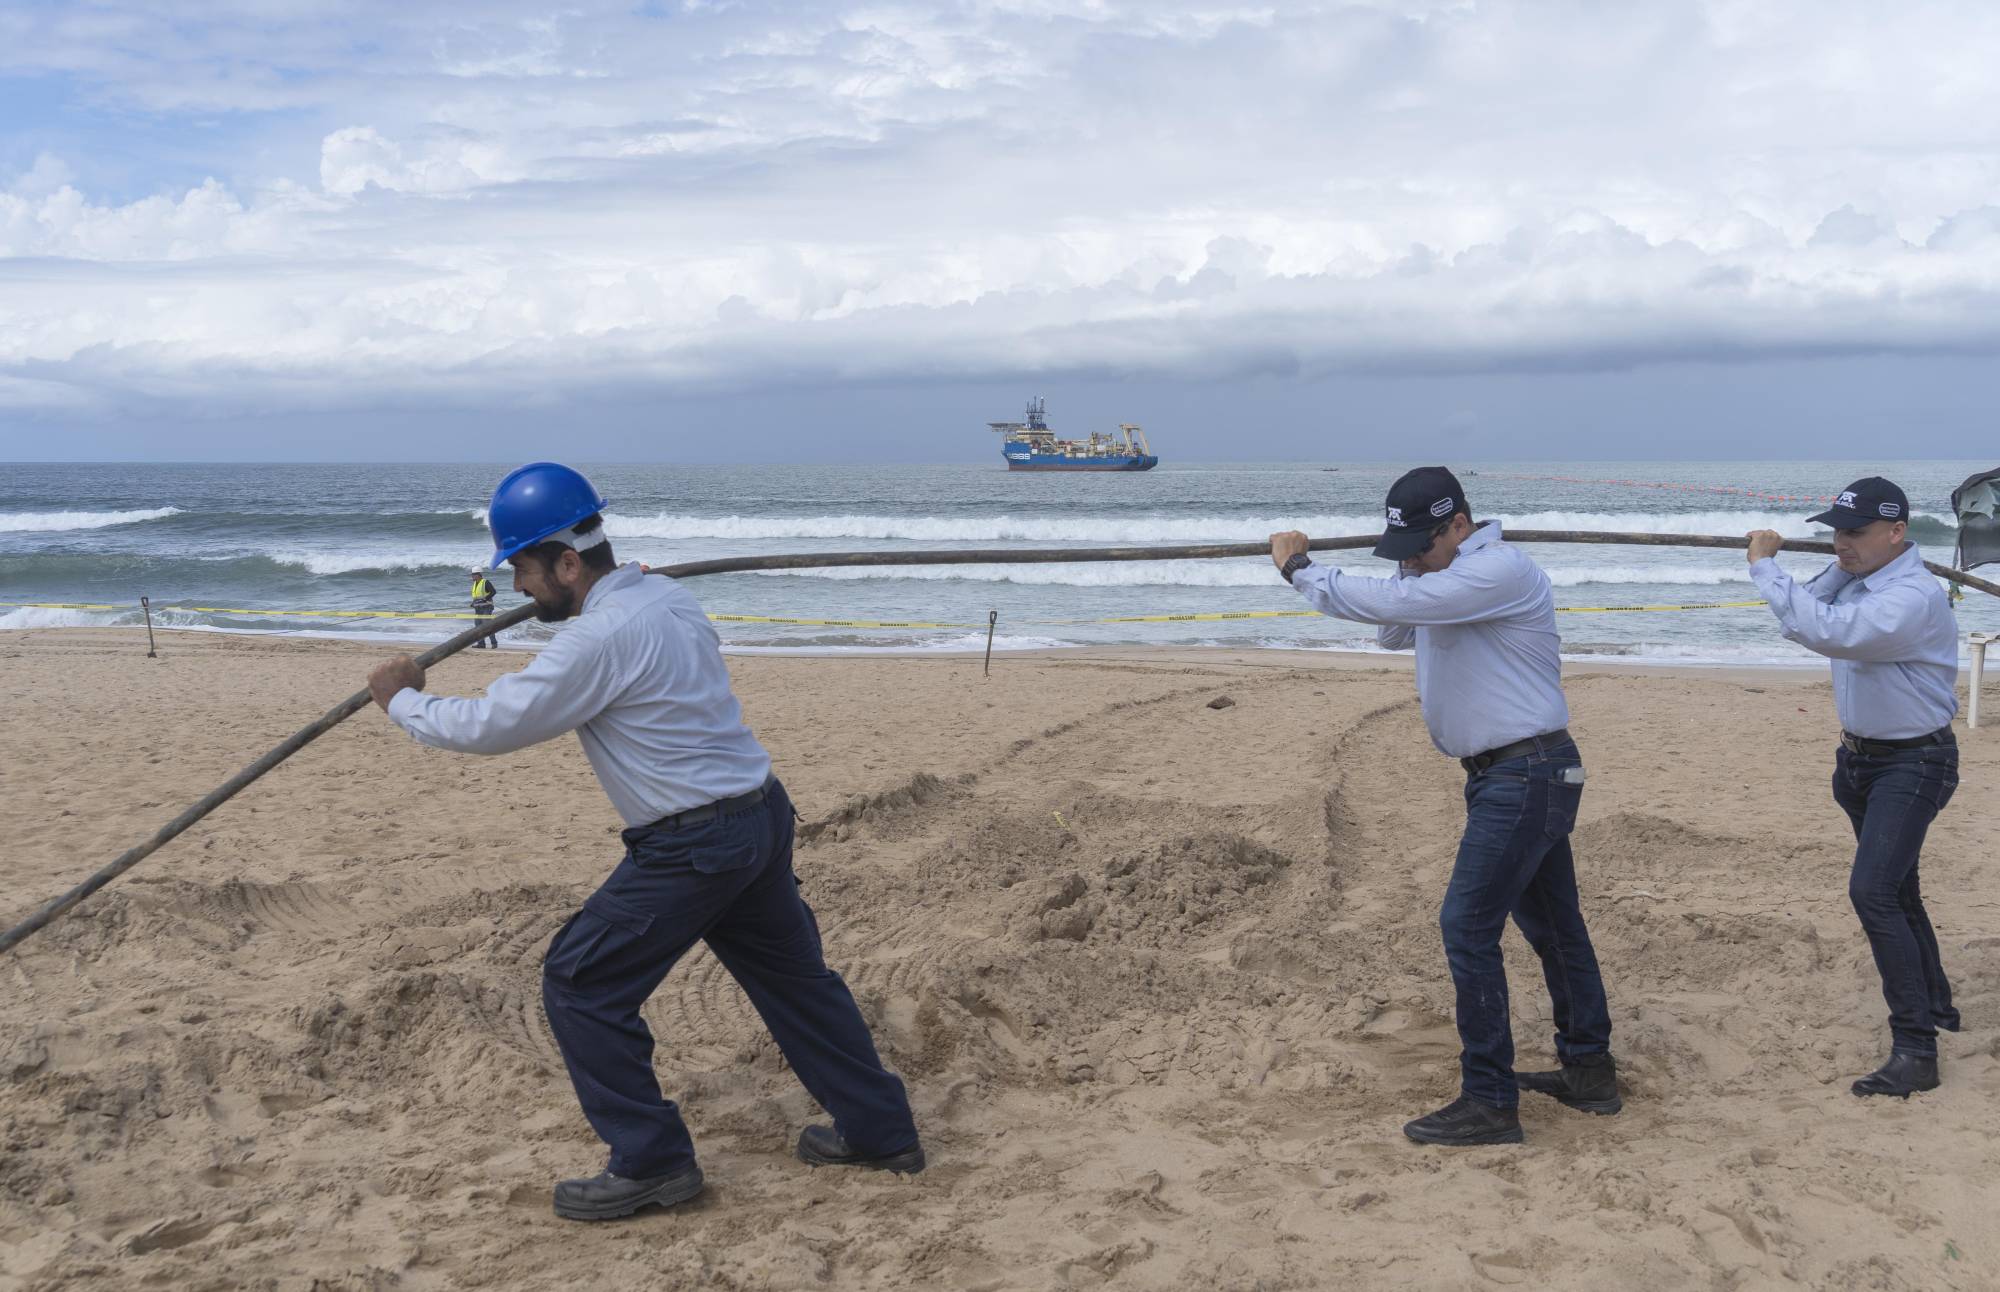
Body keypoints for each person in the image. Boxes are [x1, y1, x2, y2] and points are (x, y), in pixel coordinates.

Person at [366, 462, 922, 1221]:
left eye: (525, 569)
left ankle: (652, 1163)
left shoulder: (599, 637)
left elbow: (491, 725)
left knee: (580, 983)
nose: (520, 589)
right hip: (758, 814)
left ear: (568, 561)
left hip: (695, 844)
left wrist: (402, 701)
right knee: (799, 985)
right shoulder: (667, 595)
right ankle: (881, 1133)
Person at [1270, 466, 1619, 1146]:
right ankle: (1590, 1071)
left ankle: (1490, 1099)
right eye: (1401, 550)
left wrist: (1298, 567)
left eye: (1420, 547)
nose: (1410, 563)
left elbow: (1382, 609)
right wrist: (1411, 567)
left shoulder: (1499, 572)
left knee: (1466, 926)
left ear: (1459, 524)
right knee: (1554, 926)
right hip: (1512, 775)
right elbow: (1393, 632)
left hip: (1528, 773)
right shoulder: (1443, 580)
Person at [1745, 477, 1961, 1098]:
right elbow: (1811, 604)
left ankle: (1917, 1049)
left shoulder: (1913, 597)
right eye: (1837, 531)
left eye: (1858, 533)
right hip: (1862, 763)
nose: (1843, 543)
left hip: (1914, 762)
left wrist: (1764, 565)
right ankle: (1939, 1008)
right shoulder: (1864, 580)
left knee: (1873, 893)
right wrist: (1843, 565)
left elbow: (1825, 632)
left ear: (1898, 532)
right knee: (1898, 888)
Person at [469, 566, 498, 648]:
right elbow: (476, 597)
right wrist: (473, 603)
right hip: (478, 608)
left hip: (487, 607)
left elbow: (493, 592)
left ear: (478, 575)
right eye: (472, 575)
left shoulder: (485, 582)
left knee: (487, 625)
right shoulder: (475, 584)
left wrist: (485, 599)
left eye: (473, 575)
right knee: (478, 626)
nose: (472, 576)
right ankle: (481, 644)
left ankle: (494, 643)